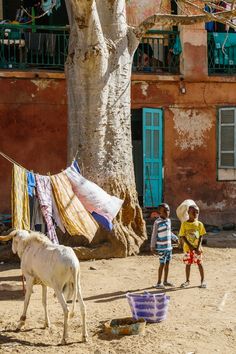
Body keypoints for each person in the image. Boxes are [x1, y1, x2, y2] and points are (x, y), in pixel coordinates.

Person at [150, 203, 178, 289]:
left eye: (168, 210)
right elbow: (154, 234)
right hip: (161, 247)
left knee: (167, 263)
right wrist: (152, 246)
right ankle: (159, 283)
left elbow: (169, 232)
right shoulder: (157, 222)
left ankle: (165, 281)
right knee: (162, 264)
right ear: (159, 212)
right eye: (164, 211)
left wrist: (175, 238)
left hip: (169, 247)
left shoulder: (168, 221)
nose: (167, 212)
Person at [179, 205, 207, 288]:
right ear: (188, 213)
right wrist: (190, 245)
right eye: (193, 212)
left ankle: (203, 281)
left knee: (200, 264)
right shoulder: (184, 224)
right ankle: (187, 281)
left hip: (197, 249)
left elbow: (201, 236)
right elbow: (182, 236)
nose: (195, 214)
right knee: (188, 264)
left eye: (197, 212)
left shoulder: (199, 224)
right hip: (188, 249)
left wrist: (198, 247)